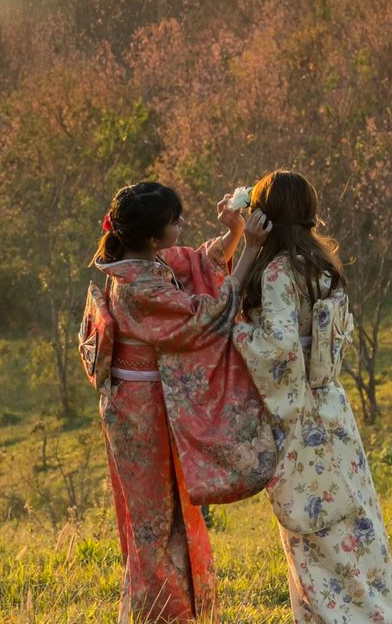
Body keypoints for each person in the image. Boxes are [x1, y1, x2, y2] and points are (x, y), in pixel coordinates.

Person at [91, 180, 270, 623]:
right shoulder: (136, 287)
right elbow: (204, 319)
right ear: (153, 238)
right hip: (139, 412)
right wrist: (250, 249)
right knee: (154, 522)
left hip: (146, 403)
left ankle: (179, 611)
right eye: (175, 222)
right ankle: (163, 614)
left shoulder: (141, 264)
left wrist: (232, 234)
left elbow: (197, 262)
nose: (180, 228)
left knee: (170, 515)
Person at [231, 170, 392, 623]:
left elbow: (281, 351)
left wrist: (239, 330)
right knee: (355, 526)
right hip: (333, 408)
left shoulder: (277, 272)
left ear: (265, 217)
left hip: (299, 417)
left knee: (314, 536)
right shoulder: (324, 267)